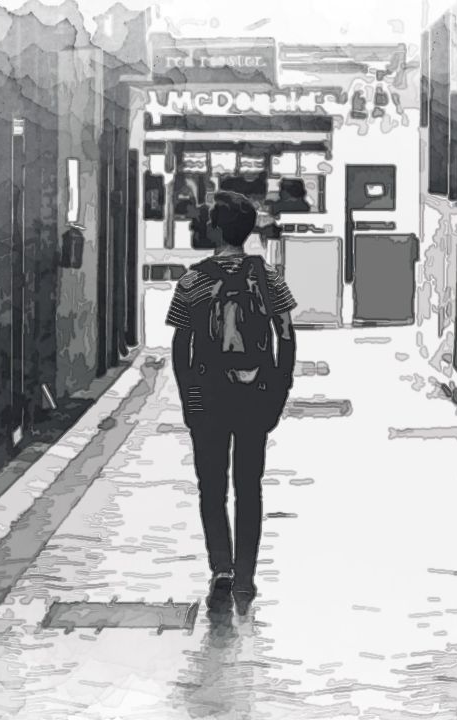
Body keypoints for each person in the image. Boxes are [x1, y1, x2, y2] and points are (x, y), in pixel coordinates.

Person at [166, 191, 298, 615]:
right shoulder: (268, 278)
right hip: (256, 393)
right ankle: (246, 576)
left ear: (217, 230)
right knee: (249, 488)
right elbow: (288, 337)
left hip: (207, 394)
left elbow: (180, 344)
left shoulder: (193, 280)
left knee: (211, 488)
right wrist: (279, 388)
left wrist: (189, 396)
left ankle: (220, 567)